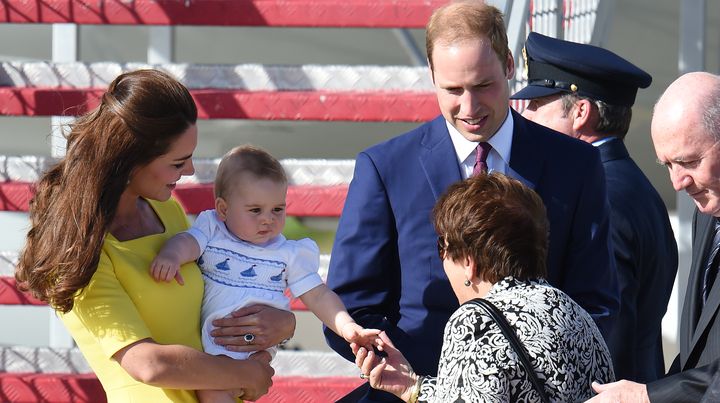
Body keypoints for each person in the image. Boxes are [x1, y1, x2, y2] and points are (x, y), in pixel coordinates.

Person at [324, 2, 618, 401]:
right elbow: (352, 308)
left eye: (483, 86)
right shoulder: (386, 169)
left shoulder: (575, 165)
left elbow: (597, 302)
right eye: (452, 90)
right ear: (430, 76)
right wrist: (404, 371)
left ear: (510, 66)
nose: (469, 107)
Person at [13, 69, 296, 402]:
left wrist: (283, 324)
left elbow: (222, 296)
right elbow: (146, 364)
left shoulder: (167, 210)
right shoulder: (79, 249)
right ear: (131, 160)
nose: (189, 172)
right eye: (178, 163)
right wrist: (244, 373)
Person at [354, 172, 615, 402]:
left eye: (442, 248)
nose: (442, 259)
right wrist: (413, 387)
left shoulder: (474, 322)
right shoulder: (571, 311)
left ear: (469, 262)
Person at [150, 144, 381, 403]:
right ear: (224, 209)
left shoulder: (287, 253)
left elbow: (318, 295)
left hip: (256, 345)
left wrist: (347, 326)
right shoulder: (213, 229)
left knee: (215, 389)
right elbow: (188, 243)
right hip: (215, 344)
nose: (267, 219)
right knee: (214, 386)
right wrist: (172, 255)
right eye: (255, 210)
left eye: (277, 209)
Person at [511, 32, 678, 383]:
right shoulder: (633, 186)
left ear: (581, 113)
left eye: (539, 105)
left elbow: (607, 324)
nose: (526, 117)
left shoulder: (601, 197)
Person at [588, 72, 720, 402]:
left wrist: (649, 395)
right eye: (668, 165)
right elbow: (700, 355)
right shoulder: (706, 214)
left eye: (689, 161)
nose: (678, 182)